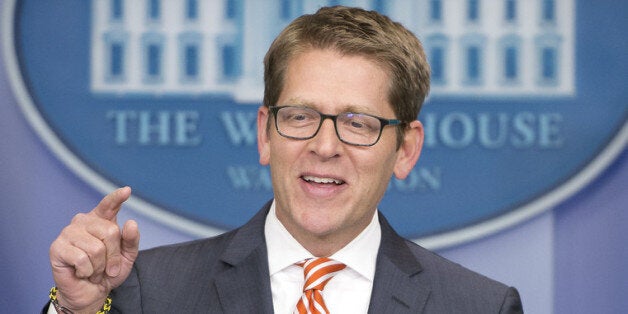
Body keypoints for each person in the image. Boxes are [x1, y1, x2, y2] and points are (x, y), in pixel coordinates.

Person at [47, 6, 523, 314]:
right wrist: (75, 310)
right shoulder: (147, 291)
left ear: (405, 149)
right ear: (264, 134)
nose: (325, 145)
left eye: (357, 123)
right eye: (300, 116)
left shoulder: (479, 305)